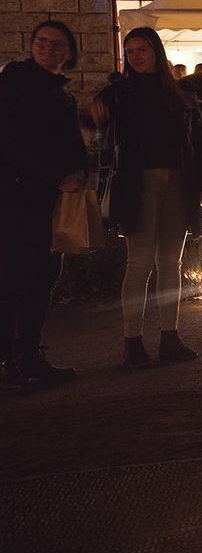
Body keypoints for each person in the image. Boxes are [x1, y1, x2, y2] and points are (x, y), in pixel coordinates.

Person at [88, 27, 202, 367]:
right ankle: (133, 343)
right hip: (137, 184)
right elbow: (91, 119)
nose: (136, 56)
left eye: (142, 49)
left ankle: (170, 337)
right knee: (140, 262)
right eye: (130, 51)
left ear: (156, 51)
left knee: (171, 262)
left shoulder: (180, 93)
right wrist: (91, 116)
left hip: (178, 183)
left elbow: (199, 141)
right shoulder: (120, 92)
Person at [0, 20, 86, 390]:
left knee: (41, 276)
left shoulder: (59, 92)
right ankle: (9, 362)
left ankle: (29, 356)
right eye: (42, 41)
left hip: (49, 198)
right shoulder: (17, 80)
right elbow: (12, 140)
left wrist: (79, 170)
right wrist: (56, 176)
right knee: (15, 279)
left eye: (57, 44)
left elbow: (66, 141)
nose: (48, 48)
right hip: (18, 197)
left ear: (69, 52)